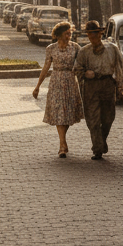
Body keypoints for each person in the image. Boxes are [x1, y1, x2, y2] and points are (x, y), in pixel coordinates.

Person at [73, 19, 123, 160]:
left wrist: (119, 85)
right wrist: (85, 74)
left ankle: (101, 141)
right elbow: (76, 69)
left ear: (101, 34)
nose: (93, 38)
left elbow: (120, 66)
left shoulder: (112, 48)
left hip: (108, 84)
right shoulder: (84, 52)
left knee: (108, 118)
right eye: (90, 35)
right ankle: (97, 149)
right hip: (91, 87)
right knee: (93, 119)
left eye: (95, 34)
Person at [32, 20, 84, 157]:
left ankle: (62, 141)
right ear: (59, 35)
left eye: (70, 33)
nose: (69, 36)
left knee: (68, 114)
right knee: (59, 113)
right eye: (66, 34)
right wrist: (37, 86)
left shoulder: (76, 48)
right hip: (56, 82)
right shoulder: (51, 49)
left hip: (70, 82)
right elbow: (46, 67)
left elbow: (81, 66)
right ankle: (62, 144)